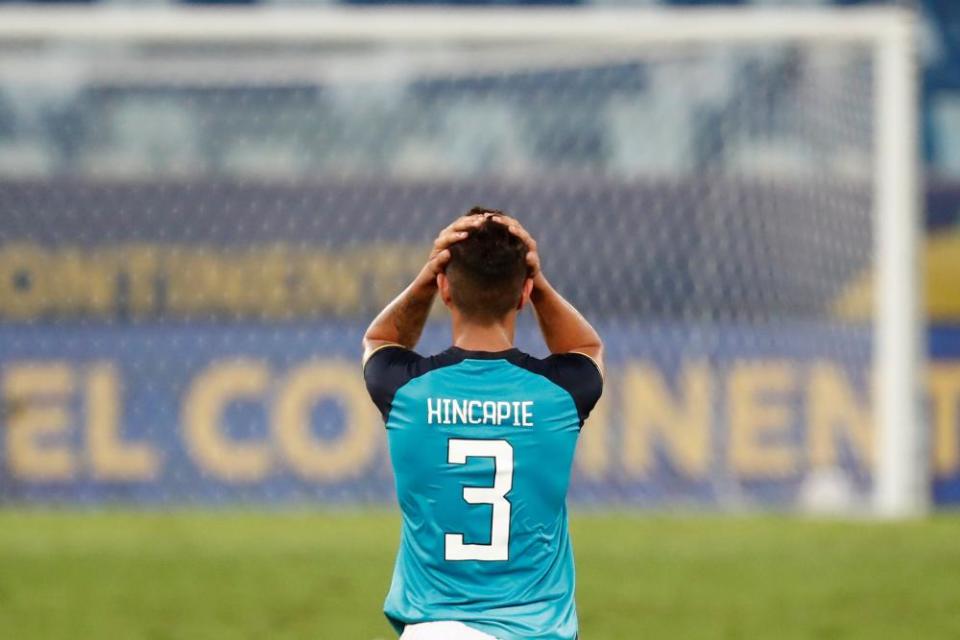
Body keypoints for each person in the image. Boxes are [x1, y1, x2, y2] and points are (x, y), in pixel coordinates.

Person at [362, 208, 604, 640]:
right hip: (533, 631)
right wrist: (539, 281)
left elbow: (381, 340)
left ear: (444, 288)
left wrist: (426, 275)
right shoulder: (561, 393)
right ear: (524, 293)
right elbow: (585, 346)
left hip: (434, 631)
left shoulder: (405, 390)